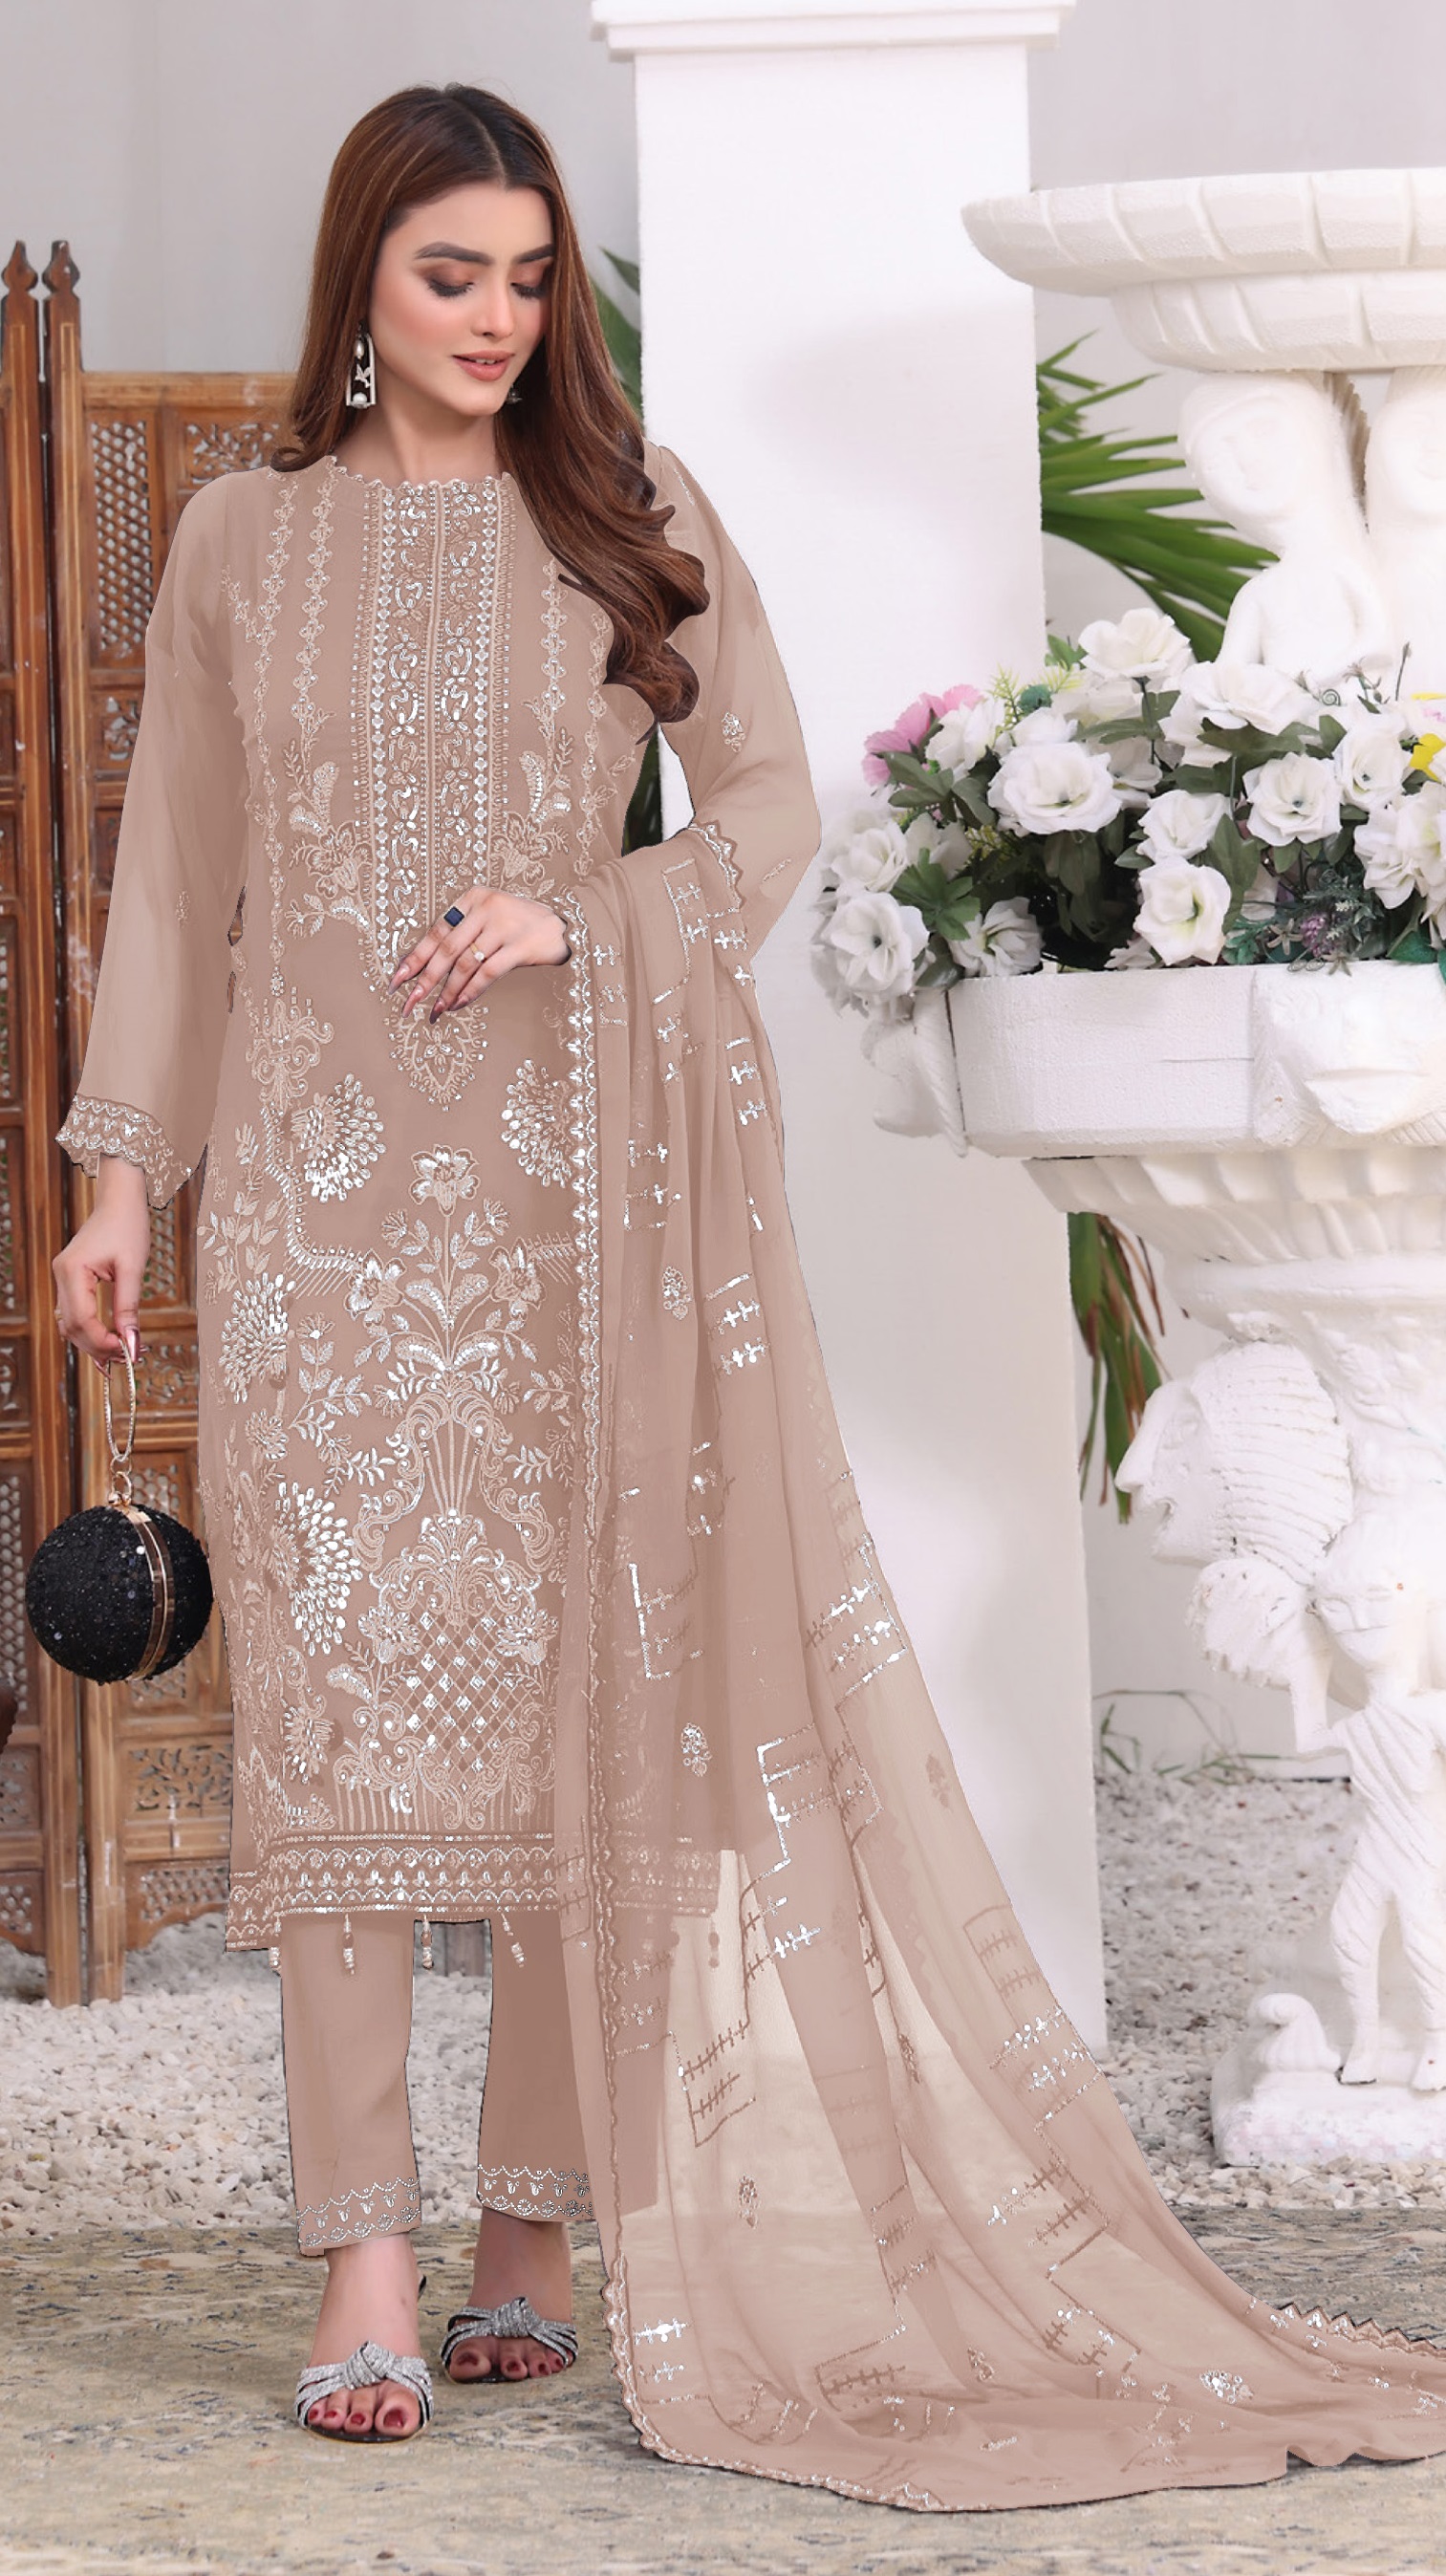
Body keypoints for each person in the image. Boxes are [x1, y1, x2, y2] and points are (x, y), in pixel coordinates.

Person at [52, 82, 1446, 2508]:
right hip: (315, 1209)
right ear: (359, 281)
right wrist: (115, 1186)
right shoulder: (243, 541)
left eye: (527, 275)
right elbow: (175, 877)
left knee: (573, 1712)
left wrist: (577, 909)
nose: (499, 318)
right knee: (344, 1730)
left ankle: (529, 2230)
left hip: (577, 1197)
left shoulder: (636, 511)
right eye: (449, 275)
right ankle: (357, 2257)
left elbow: (773, 804)